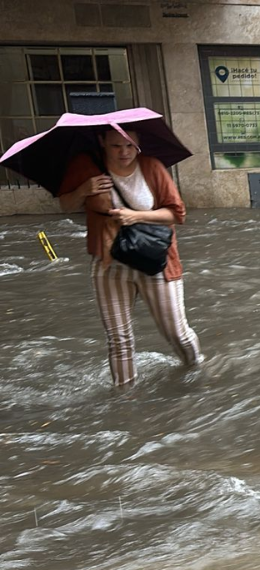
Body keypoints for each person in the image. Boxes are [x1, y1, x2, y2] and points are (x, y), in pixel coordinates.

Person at [57, 129, 203, 387]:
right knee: (118, 339)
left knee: (176, 333)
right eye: (116, 146)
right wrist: (83, 190)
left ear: (138, 144)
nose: (124, 152)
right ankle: (125, 403)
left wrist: (136, 216)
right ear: (102, 142)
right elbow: (66, 205)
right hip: (109, 262)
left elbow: (177, 213)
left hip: (155, 261)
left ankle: (196, 368)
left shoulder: (152, 167)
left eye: (130, 146)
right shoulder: (86, 165)